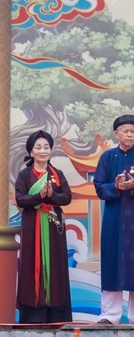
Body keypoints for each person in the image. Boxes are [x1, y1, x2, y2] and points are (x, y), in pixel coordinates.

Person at [94, 114, 134, 324]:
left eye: (133, 131)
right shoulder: (107, 157)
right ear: (116, 134)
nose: (130, 135)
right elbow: (99, 186)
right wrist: (115, 186)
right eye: (125, 131)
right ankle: (110, 315)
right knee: (112, 262)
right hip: (114, 219)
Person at [15, 130, 73, 324]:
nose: (42, 151)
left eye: (46, 147)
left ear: (50, 150)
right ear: (31, 152)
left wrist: (51, 196)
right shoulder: (24, 175)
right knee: (32, 264)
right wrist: (39, 197)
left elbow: (67, 197)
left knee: (55, 265)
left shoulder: (57, 174)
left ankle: (56, 314)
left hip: (53, 227)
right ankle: (34, 315)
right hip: (32, 226)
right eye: (38, 147)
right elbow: (20, 199)